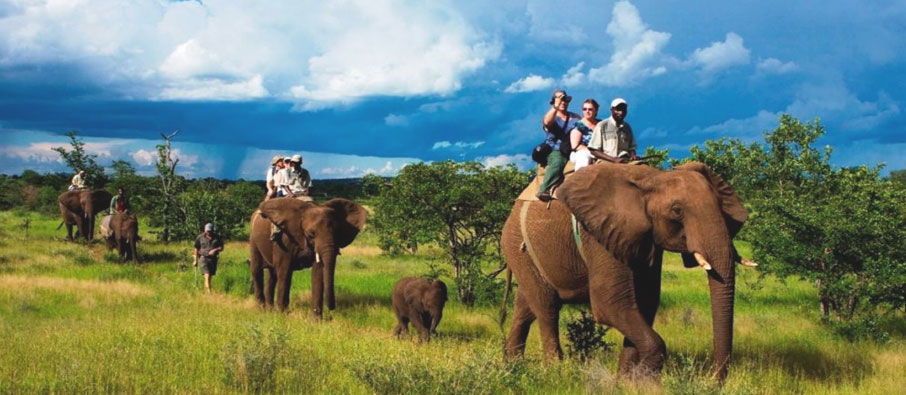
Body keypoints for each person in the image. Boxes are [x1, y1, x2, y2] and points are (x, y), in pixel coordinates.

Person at [537, 89, 580, 202]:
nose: (563, 102)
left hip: (573, 148)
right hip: (555, 150)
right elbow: (546, 122)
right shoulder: (552, 116)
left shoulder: (575, 117)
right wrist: (555, 107)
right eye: (559, 99)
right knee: (558, 162)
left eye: (565, 99)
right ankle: (544, 189)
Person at [588, 98, 637, 164]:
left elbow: (632, 148)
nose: (621, 112)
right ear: (612, 110)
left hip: (625, 160)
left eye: (623, 109)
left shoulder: (627, 127)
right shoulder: (602, 125)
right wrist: (613, 159)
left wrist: (632, 155)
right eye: (618, 109)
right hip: (606, 161)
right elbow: (593, 150)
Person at [568, 99, 601, 171]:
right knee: (584, 156)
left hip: (599, 152)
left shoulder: (601, 124)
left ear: (596, 110)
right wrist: (593, 152)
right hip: (581, 152)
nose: (587, 111)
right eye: (584, 109)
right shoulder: (579, 125)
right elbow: (575, 146)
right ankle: (579, 179)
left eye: (590, 109)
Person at [194, 223, 224, 293]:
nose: (208, 233)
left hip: (213, 259)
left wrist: (215, 250)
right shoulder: (200, 237)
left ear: (213, 230)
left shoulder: (217, 237)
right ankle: (209, 292)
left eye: (210, 231)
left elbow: (221, 247)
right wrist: (195, 260)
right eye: (207, 231)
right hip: (203, 257)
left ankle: (206, 290)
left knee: (209, 276)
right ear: (205, 230)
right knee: (206, 275)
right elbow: (196, 248)